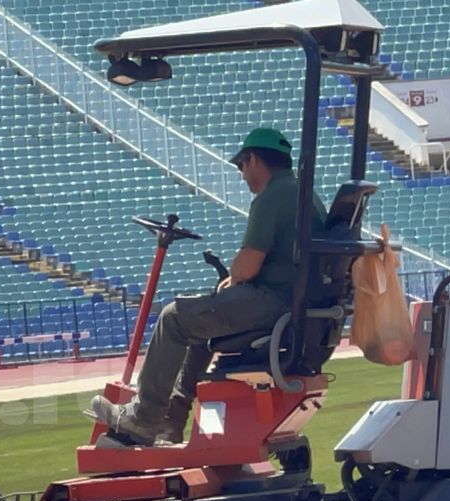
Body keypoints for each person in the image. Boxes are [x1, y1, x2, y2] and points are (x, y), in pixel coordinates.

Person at [92, 127, 328, 446]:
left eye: (241, 165)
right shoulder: (304, 194)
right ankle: (171, 422)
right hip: (294, 305)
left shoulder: (272, 197)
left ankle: (143, 418)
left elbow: (247, 266)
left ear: (254, 160)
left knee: (174, 317)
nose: (242, 174)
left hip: (273, 302)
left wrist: (234, 277)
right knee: (200, 327)